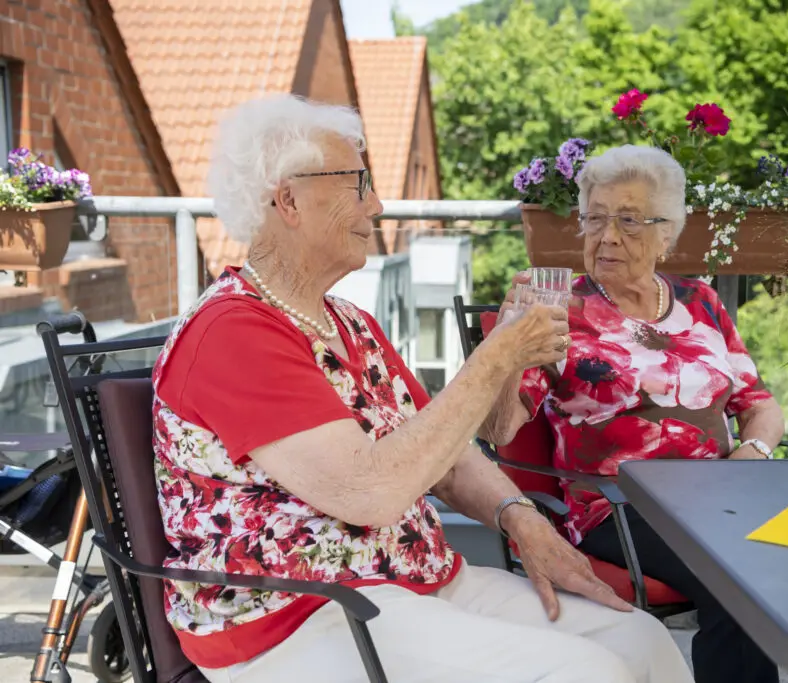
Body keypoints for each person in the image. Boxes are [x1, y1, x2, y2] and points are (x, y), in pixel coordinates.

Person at [151, 96, 693, 683]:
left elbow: (447, 455)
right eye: (357, 185)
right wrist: (498, 356)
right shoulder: (235, 333)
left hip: (414, 579)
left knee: (641, 639)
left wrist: (523, 520)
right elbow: (368, 492)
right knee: (584, 674)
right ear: (288, 200)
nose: (378, 206)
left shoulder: (349, 322)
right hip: (300, 613)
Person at [481, 145, 786, 683]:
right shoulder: (558, 313)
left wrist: (749, 455)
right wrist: (508, 346)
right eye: (595, 218)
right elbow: (499, 430)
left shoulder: (701, 302)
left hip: (719, 496)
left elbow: (759, 407)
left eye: (628, 220)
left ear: (666, 233)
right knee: (740, 578)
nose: (608, 236)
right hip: (617, 505)